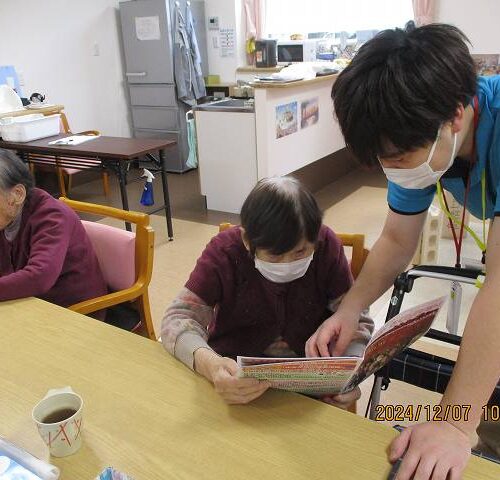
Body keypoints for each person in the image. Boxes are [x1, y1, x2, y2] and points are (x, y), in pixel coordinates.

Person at [306, 22, 500, 479]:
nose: (392, 170)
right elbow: (396, 239)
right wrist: (349, 309)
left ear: (455, 115)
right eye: (382, 161)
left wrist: (454, 424)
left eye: (398, 158)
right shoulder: (424, 142)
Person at [162, 176, 373, 406]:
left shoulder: (327, 246)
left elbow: (355, 318)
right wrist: (210, 365)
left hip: (312, 386)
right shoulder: (224, 252)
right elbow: (178, 318)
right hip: (233, 377)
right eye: (274, 255)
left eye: (301, 252)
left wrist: (348, 374)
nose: (287, 264)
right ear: (247, 240)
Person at [0, 149, 107, 309]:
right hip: (28, 301)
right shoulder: (7, 215)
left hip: (74, 309)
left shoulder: (53, 217)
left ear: (17, 194)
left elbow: (39, 276)